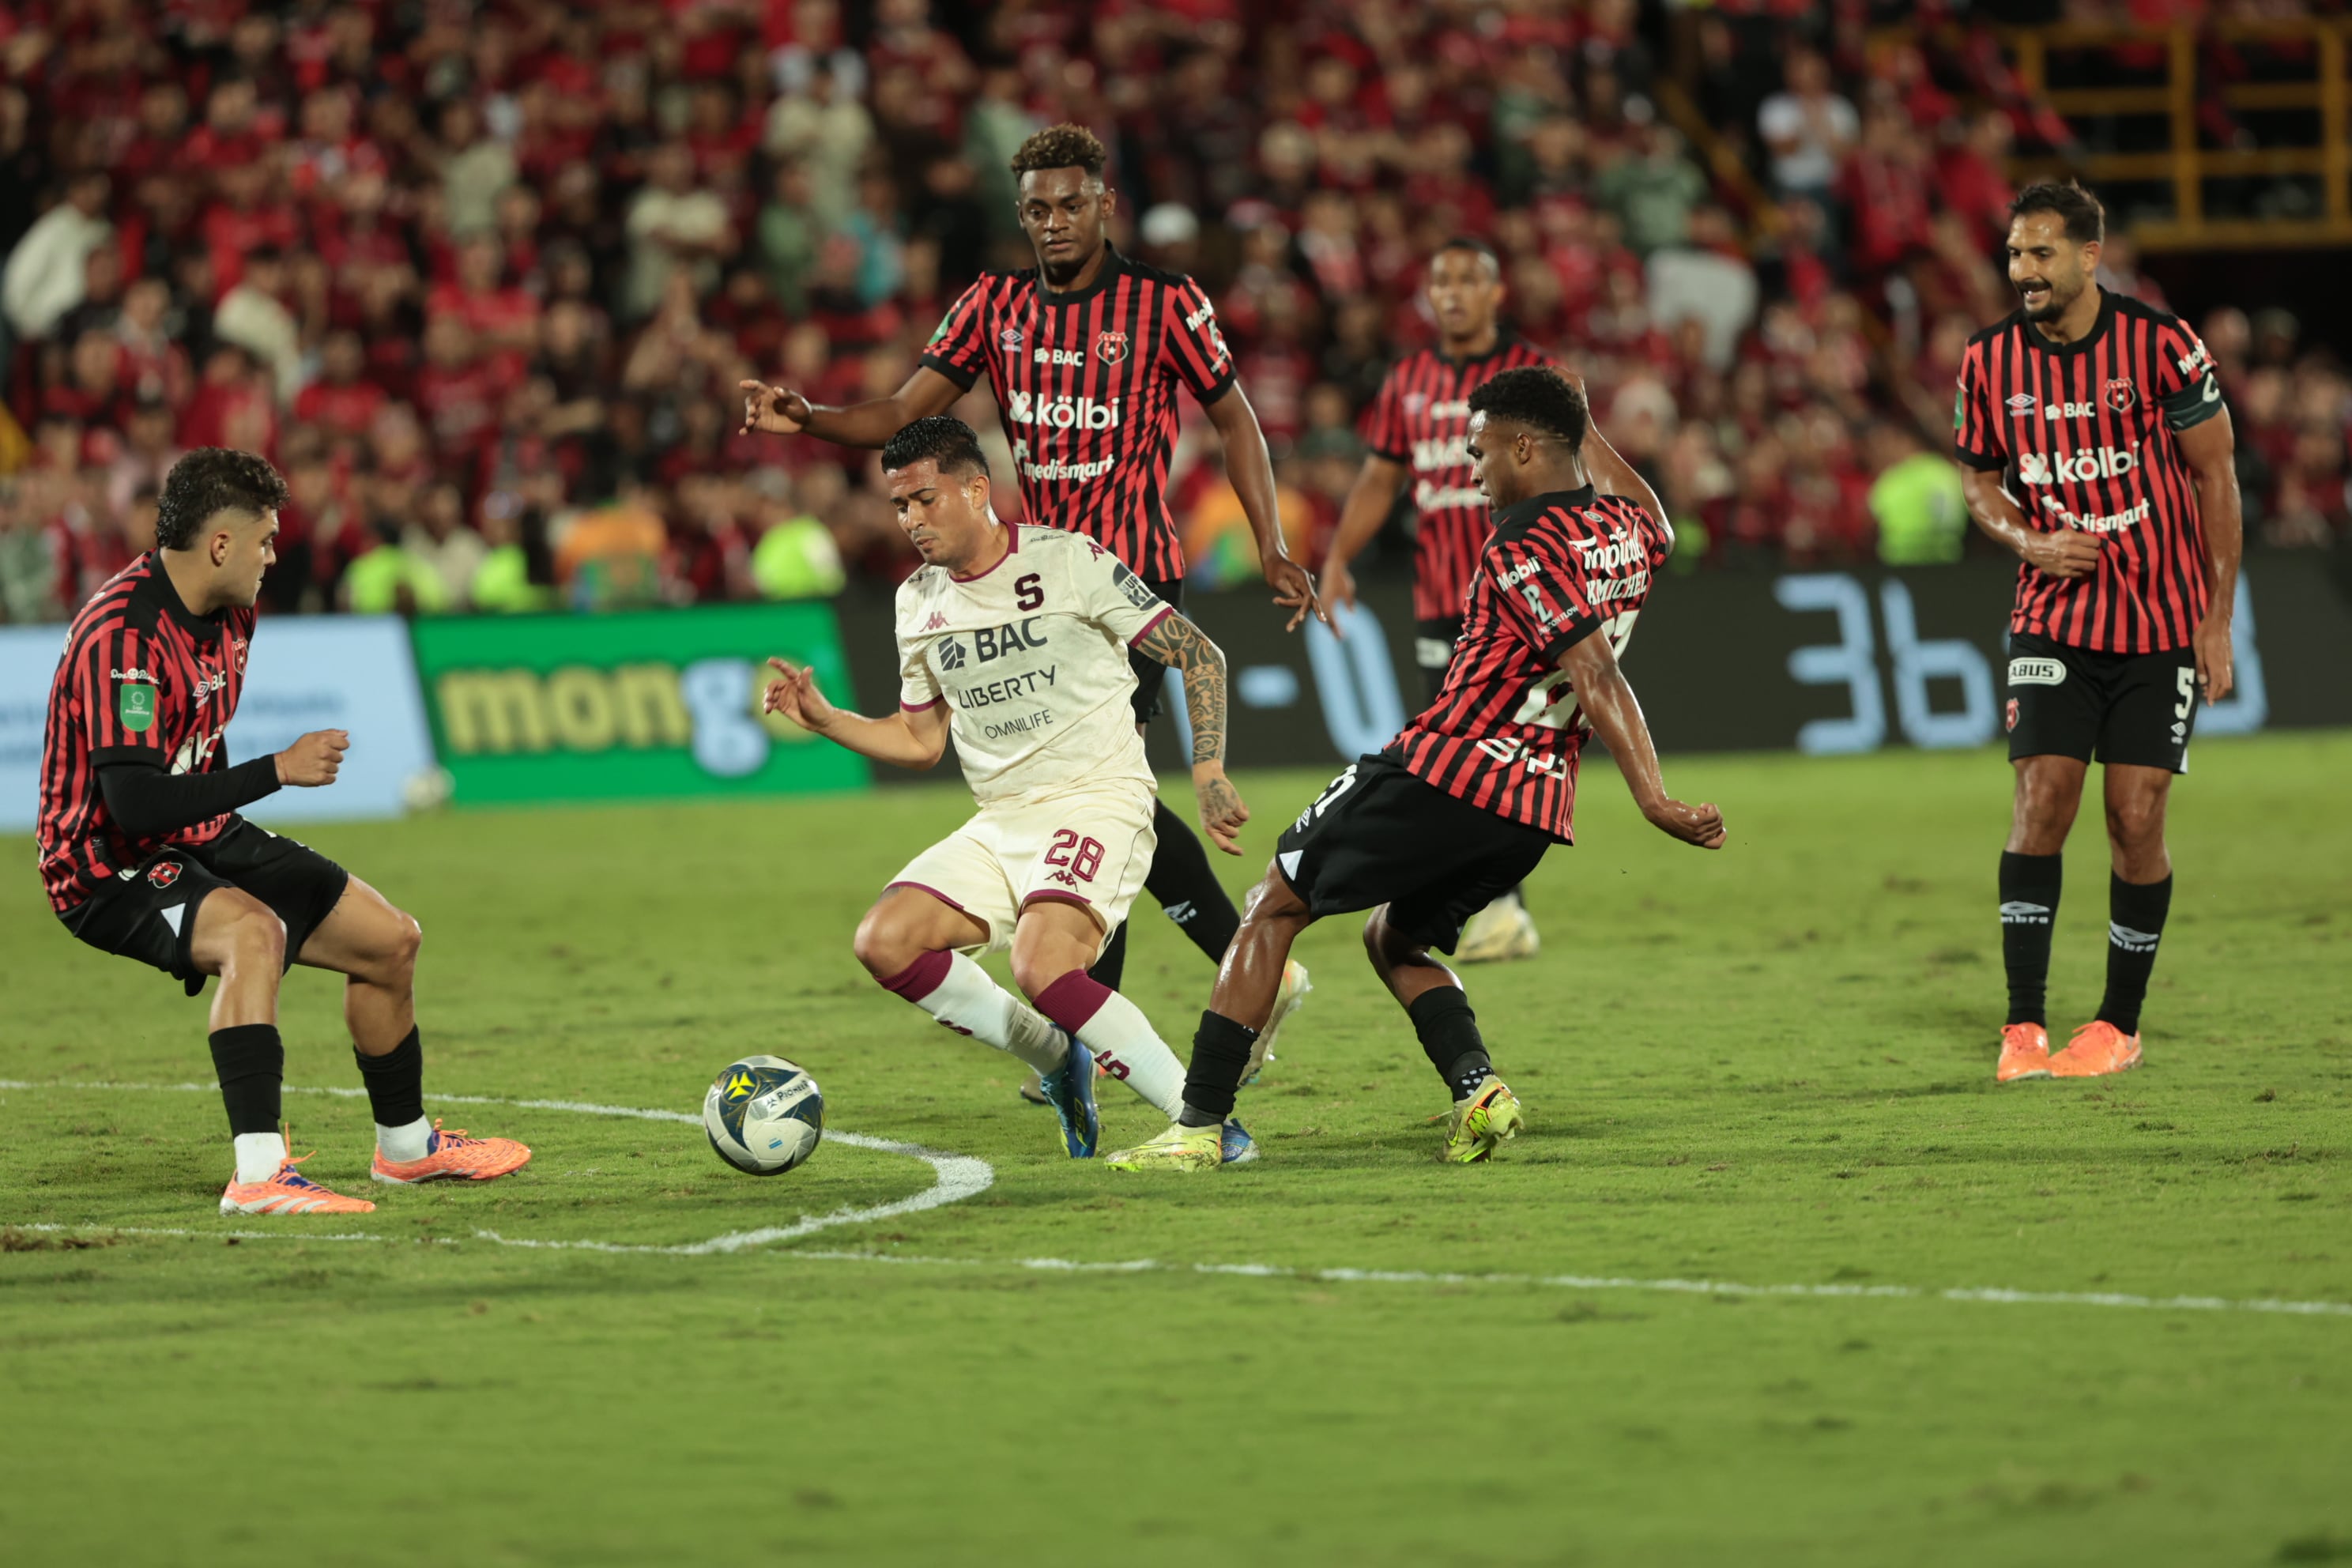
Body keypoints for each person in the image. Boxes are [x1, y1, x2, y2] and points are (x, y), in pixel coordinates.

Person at [740, 122, 1318, 1082]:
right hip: (1028, 584)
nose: (1053, 223)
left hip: (1123, 578)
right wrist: (812, 420)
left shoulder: (1165, 303)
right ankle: (1243, 969)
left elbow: (1235, 419)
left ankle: (1110, 1037)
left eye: (1070, 204)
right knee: (1104, 798)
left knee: (1098, 789)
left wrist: (1271, 543)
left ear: (1105, 204)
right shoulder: (995, 305)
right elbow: (901, 414)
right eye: (1036, 209)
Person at [1106, 368, 1726, 1171]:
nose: (1472, 470)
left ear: (1527, 449)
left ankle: (1199, 1127)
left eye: (1482, 452)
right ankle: (1477, 1089)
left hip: (1445, 772)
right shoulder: (1627, 533)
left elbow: (1596, 672)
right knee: (1395, 936)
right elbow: (1657, 520)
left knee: (1270, 905)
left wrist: (1655, 800)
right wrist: (1584, 421)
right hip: (1534, 808)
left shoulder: (1523, 544)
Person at [36, 448, 530, 1215]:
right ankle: (259, 1174)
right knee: (253, 933)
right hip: (102, 862)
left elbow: (199, 732)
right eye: (265, 539)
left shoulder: (234, 609)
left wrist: (232, 830)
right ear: (221, 545)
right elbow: (131, 801)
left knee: (391, 940)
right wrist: (278, 770)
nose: (275, 554)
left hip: (198, 832)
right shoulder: (124, 637)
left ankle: (406, 1148)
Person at [761, 416, 1260, 1163]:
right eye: (901, 507)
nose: (912, 521)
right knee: (885, 941)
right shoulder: (917, 602)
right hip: (1002, 819)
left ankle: (1209, 1128)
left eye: (926, 499)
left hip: (1100, 798)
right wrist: (828, 720)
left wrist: (1209, 771)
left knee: (1042, 964)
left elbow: (1198, 653)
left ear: (975, 488)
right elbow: (921, 740)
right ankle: (1058, 1058)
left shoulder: (1069, 561)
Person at [1953, 183, 2241, 1084]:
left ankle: (2118, 1023)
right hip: (2052, 617)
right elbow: (1977, 481)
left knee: (2135, 815)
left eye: (2040, 253)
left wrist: (2217, 619)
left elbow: (2217, 480)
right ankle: (2022, 1025)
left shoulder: (2162, 345)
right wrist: (2028, 537)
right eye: (2013, 254)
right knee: (2042, 802)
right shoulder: (1988, 361)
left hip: (2157, 622)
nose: (2023, 271)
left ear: (2088, 255)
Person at [1321, 237, 1551, 965]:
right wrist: (1337, 557)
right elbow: (1380, 480)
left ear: (1496, 292)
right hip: (1440, 599)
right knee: (1449, 755)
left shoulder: (1533, 376)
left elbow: (1571, 479)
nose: (1450, 293)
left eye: (1466, 279)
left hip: (1518, 597)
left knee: (1513, 752)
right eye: (1439, 280)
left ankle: (1503, 905)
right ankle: (1487, 905)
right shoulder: (1408, 378)